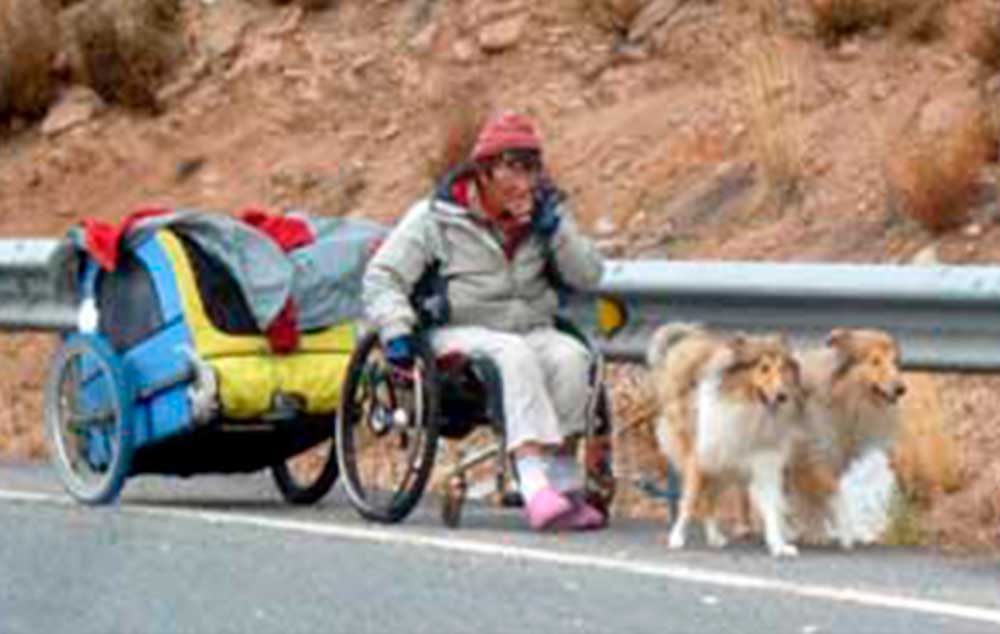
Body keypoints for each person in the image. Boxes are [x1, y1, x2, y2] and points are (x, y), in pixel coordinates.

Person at [362, 111, 607, 531]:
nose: (524, 181)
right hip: (457, 329)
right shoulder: (435, 218)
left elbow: (588, 275)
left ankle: (564, 485)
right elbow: (383, 277)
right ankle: (532, 484)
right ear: (484, 172)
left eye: (531, 168)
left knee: (570, 357)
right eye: (512, 167)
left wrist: (558, 231)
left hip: (529, 324)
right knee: (511, 354)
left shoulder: (546, 217)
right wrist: (397, 328)